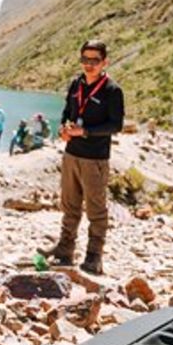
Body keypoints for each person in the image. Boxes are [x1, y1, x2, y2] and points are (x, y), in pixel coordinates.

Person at [41, 39, 125, 276]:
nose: (89, 65)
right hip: (71, 154)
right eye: (85, 59)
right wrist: (63, 129)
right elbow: (67, 112)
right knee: (69, 205)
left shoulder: (112, 90)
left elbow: (116, 125)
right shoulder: (76, 84)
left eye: (94, 60)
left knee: (96, 209)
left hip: (95, 158)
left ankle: (94, 256)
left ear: (104, 62)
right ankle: (65, 249)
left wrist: (85, 131)